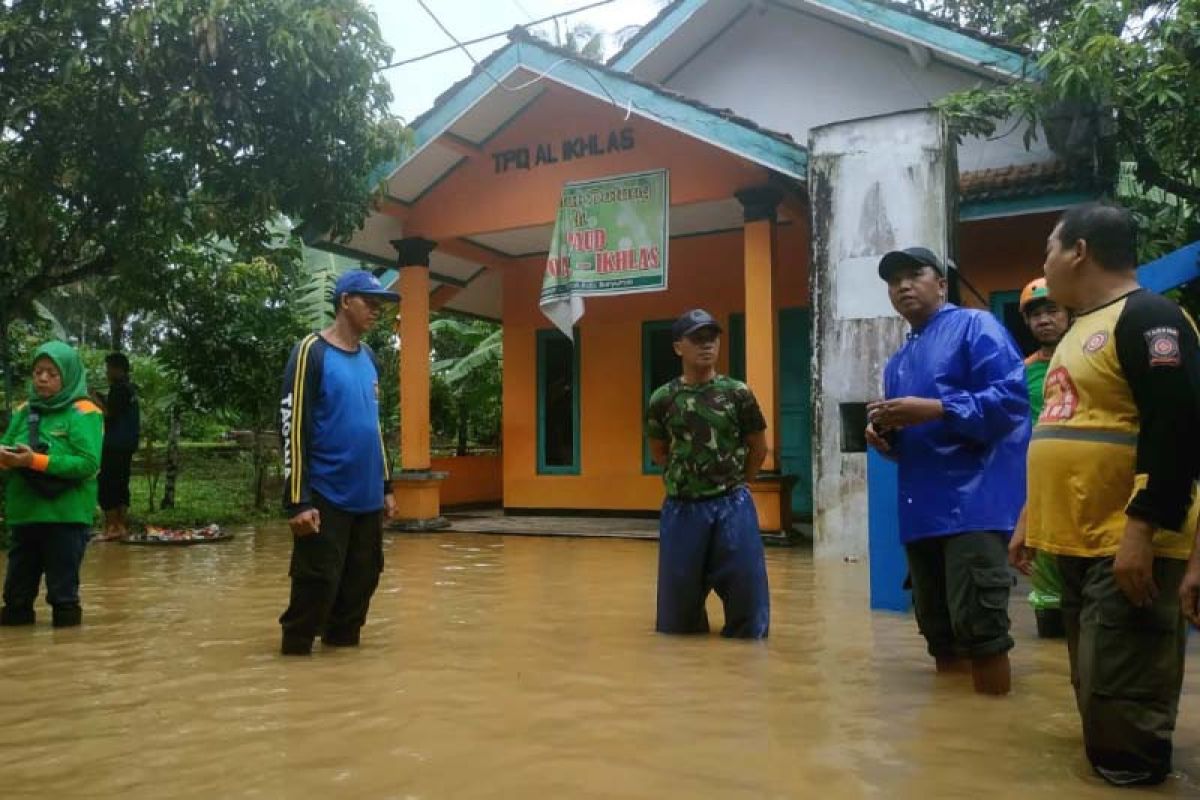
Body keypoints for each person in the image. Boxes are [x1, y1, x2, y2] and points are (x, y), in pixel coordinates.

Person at [1010, 203, 1200, 787]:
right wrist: (1029, 519)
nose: (1044, 262)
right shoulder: (1077, 331)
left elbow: (1177, 427)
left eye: (1049, 248)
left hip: (1126, 543)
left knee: (1125, 702)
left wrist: (1141, 531)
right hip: (1075, 545)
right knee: (1095, 688)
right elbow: (1063, 427)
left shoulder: (1149, 318)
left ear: (1079, 251)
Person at [866, 247, 1029, 695]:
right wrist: (887, 439)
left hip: (974, 504)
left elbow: (1012, 402)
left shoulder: (977, 327)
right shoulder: (899, 361)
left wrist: (937, 408)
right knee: (937, 628)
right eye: (893, 280)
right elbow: (916, 434)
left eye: (914, 274)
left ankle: (992, 730)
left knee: (983, 627)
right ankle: (957, 736)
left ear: (940, 283)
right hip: (921, 509)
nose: (902, 286)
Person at [278, 271, 398, 656]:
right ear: (345, 301)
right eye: (369, 301)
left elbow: (373, 427)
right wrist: (298, 500)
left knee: (361, 583)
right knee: (316, 585)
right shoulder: (311, 351)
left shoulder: (370, 359)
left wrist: (386, 486)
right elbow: (291, 426)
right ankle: (295, 662)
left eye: (379, 304)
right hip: (325, 496)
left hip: (367, 498)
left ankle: (342, 672)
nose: (376, 310)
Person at [645, 308, 770, 638]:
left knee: (749, 611)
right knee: (676, 622)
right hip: (682, 508)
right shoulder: (663, 398)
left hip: (732, 504)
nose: (707, 345)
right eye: (697, 339)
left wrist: (742, 482)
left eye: (712, 338)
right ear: (678, 347)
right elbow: (658, 451)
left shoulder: (737, 393)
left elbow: (759, 447)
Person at [0, 341, 103, 628]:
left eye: (51, 373)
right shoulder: (24, 410)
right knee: (15, 599)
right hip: (25, 516)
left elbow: (87, 463)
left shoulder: (85, 412)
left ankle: (68, 660)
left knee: (63, 596)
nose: (42, 378)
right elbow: (6, 447)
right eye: (37, 372)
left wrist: (35, 461)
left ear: (68, 375)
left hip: (65, 517)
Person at [1018, 278, 1071, 638]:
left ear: (1070, 312)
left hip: (1088, 474)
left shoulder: (1093, 356)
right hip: (1041, 479)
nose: (1045, 320)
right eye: (1036, 314)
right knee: (1044, 555)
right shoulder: (1022, 371)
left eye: (1052, 310)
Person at [94, 352, 140, 540]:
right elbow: (116, 409)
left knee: (107, 484)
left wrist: (94, 401)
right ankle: (120, 527)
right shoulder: (129, 389)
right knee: (121, 483)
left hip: (114, 443)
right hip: (127, 444)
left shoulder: (119, 389)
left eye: (109, 368)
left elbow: (108, 415)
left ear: (117, 369)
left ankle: (112, 528)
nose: (107, 372)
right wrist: (102, 398)